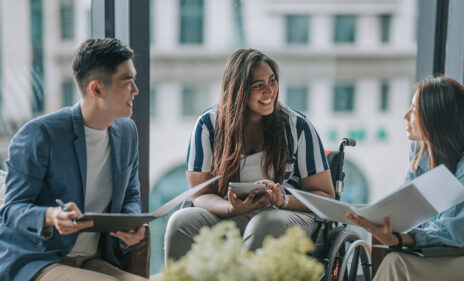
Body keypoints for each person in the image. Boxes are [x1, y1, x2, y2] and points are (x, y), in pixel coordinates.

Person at [164, 48, 335, 262]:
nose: (269, 91)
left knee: (264, 223)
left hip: (284, 216)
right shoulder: (208, 125)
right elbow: (200, 195)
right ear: (239, 90)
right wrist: (230, 207)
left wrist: (283, 200)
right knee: (181, 222)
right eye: (259, 86)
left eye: (272, 81)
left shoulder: (298, 126)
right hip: (228, 214)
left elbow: (327, 197)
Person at [0, 38, 147, 281]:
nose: (136, 90)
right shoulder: (40, 135)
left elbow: (130, 194)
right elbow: (12, 209)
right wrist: (51, 216)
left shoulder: (127, 132)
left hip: (92, 259)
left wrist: (130, 224)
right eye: (128, 81)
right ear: (96, 89)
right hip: (37, 259)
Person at [346, 75, 464, 281]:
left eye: (415, 110)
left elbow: (452, 232)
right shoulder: (421, 150)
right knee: (393, 257)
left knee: (396, 263)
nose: (405, 115)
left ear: (436, 118)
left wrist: (400, 238)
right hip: (453, 250)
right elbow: (407, 204)